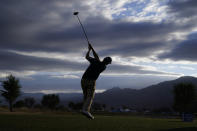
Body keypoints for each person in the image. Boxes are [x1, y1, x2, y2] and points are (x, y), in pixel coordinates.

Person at [81, 43, 112, 119]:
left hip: (83, 80)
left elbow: (87, 57)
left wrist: (90, 50)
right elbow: (96, 57)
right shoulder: (103, 67)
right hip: (91, 81)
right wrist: (92, 49)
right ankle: (85, 110)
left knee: (86, 96)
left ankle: (84, 109)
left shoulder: (95, 61)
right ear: (108, 63)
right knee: (90, 96)